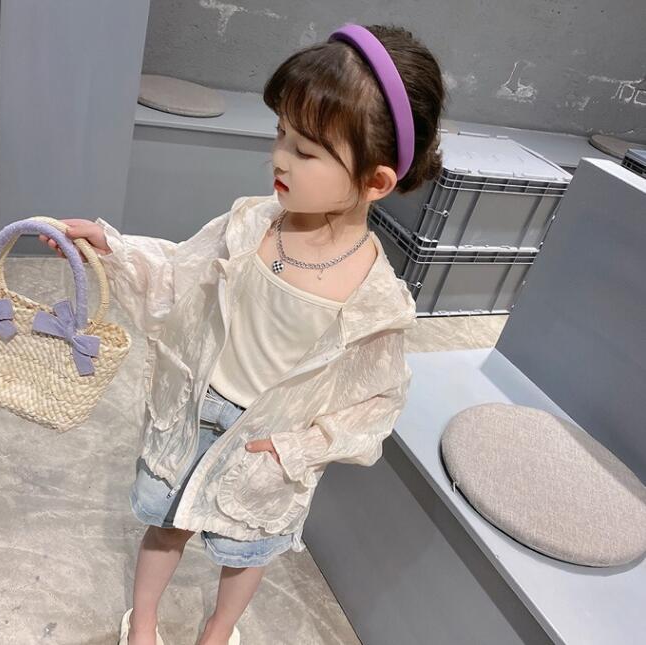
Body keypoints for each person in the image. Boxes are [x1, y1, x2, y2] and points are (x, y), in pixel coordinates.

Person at [38, 22, 445, 645]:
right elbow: (179, 275)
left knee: (245, 552)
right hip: (195, 408)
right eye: (280, 133)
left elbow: (376, 401)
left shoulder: (376, 304)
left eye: (306, 151)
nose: (280, 158)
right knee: (167, 524)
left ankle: (217, 631)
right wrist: (111, 247)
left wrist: (296, 448)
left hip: (265, 442)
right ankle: (142, 622)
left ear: (376, 181)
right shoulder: (250, 224)